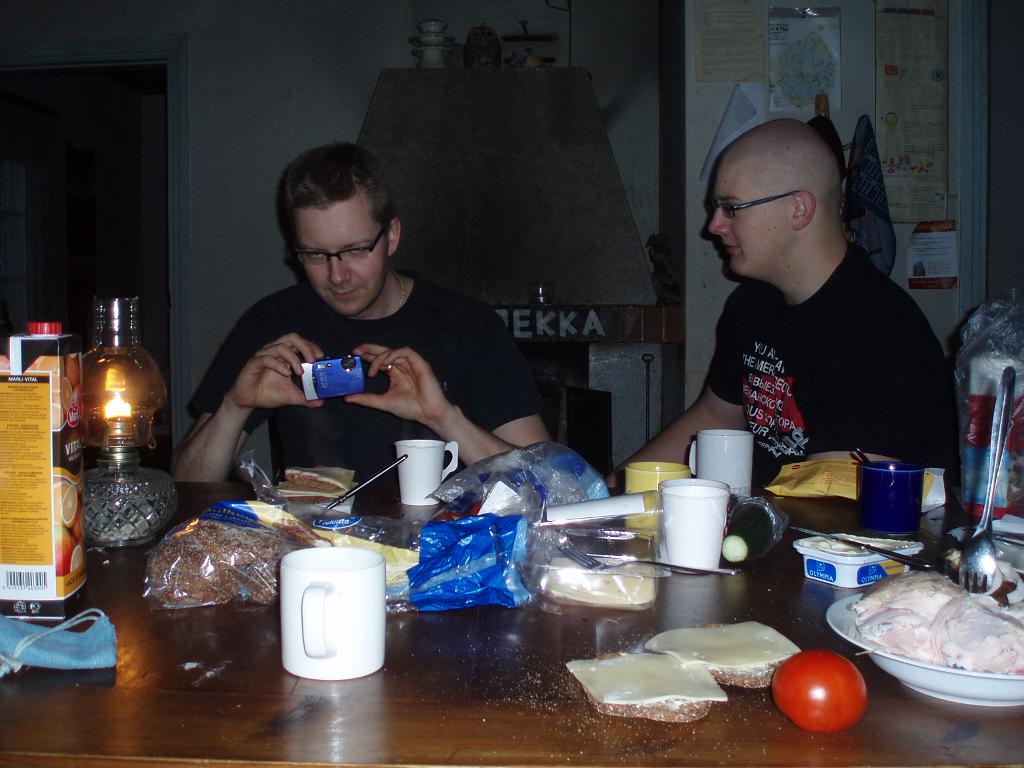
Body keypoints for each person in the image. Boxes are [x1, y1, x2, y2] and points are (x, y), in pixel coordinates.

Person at [172, 142, 550, 483]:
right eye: (315, 255)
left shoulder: (467, 325)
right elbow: (187, 483)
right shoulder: (272, 321)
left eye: (355, 250)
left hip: (448, 537)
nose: (337, 276)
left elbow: (549, 485)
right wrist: (233, 408)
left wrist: (444, 418)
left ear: (391, 236)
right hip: (314, 537)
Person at [616, 118, 957, 489]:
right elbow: (716, 416)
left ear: (798, 209)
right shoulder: (751, 303)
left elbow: (836, 496)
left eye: (731, 208)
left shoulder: (880, 332)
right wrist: (605, 494)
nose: (713, 225)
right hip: (770, 515)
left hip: (848, 522)